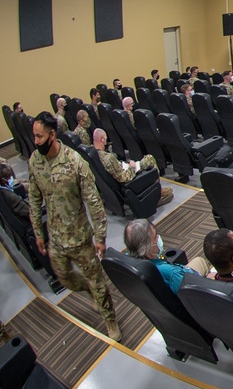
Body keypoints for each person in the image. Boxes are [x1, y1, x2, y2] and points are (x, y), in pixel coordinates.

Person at [28, 112, 120, 341]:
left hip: (80, 238)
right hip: (56, 238)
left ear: (52, 134)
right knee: (65, 277)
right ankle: (87, 290)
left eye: (39, 136)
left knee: (97, 281)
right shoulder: (35, 161)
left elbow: (94, 201)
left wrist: (100, 237)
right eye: (34, 136)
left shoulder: (75, 161)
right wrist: (38, 231)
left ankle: (110, 319)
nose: (36, 141)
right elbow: (34, 198)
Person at [123, 219, 211, 293]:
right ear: (147, 247)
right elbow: (193, 294)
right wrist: (209, 282)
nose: (158, 238)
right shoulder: (172, 273)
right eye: (155, 237)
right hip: (190, 286)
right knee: (200, 261)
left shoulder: (128, 261)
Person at [93, 129, 174, 206]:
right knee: (150, 159)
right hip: (129, 179)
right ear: (102, 140)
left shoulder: (94, 155)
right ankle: (158, 193)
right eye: (106, 139)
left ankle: (157, 190)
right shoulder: (108, 158)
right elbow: (123, 178)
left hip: (123, 173)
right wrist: (132, 167)